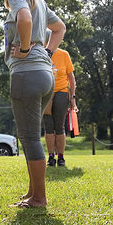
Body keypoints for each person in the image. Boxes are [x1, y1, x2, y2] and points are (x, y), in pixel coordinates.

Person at [2, 0, 66, 208]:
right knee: (32, 135)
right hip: (45, 76)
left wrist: (26, 48)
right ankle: (33, 191)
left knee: (28, 137)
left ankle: (39, 197)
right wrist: (46, 51)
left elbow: (24, 19)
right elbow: (59, 28)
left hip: (26, 73)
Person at [42, 34, 76, 167]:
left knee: (59, 126)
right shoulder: (41, 54)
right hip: (46, 93)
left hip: (61, 92)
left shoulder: (64, 54)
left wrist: (72, 98)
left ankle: (61, 156)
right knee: (48, 126)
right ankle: (51, 156)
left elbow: (71, 78)